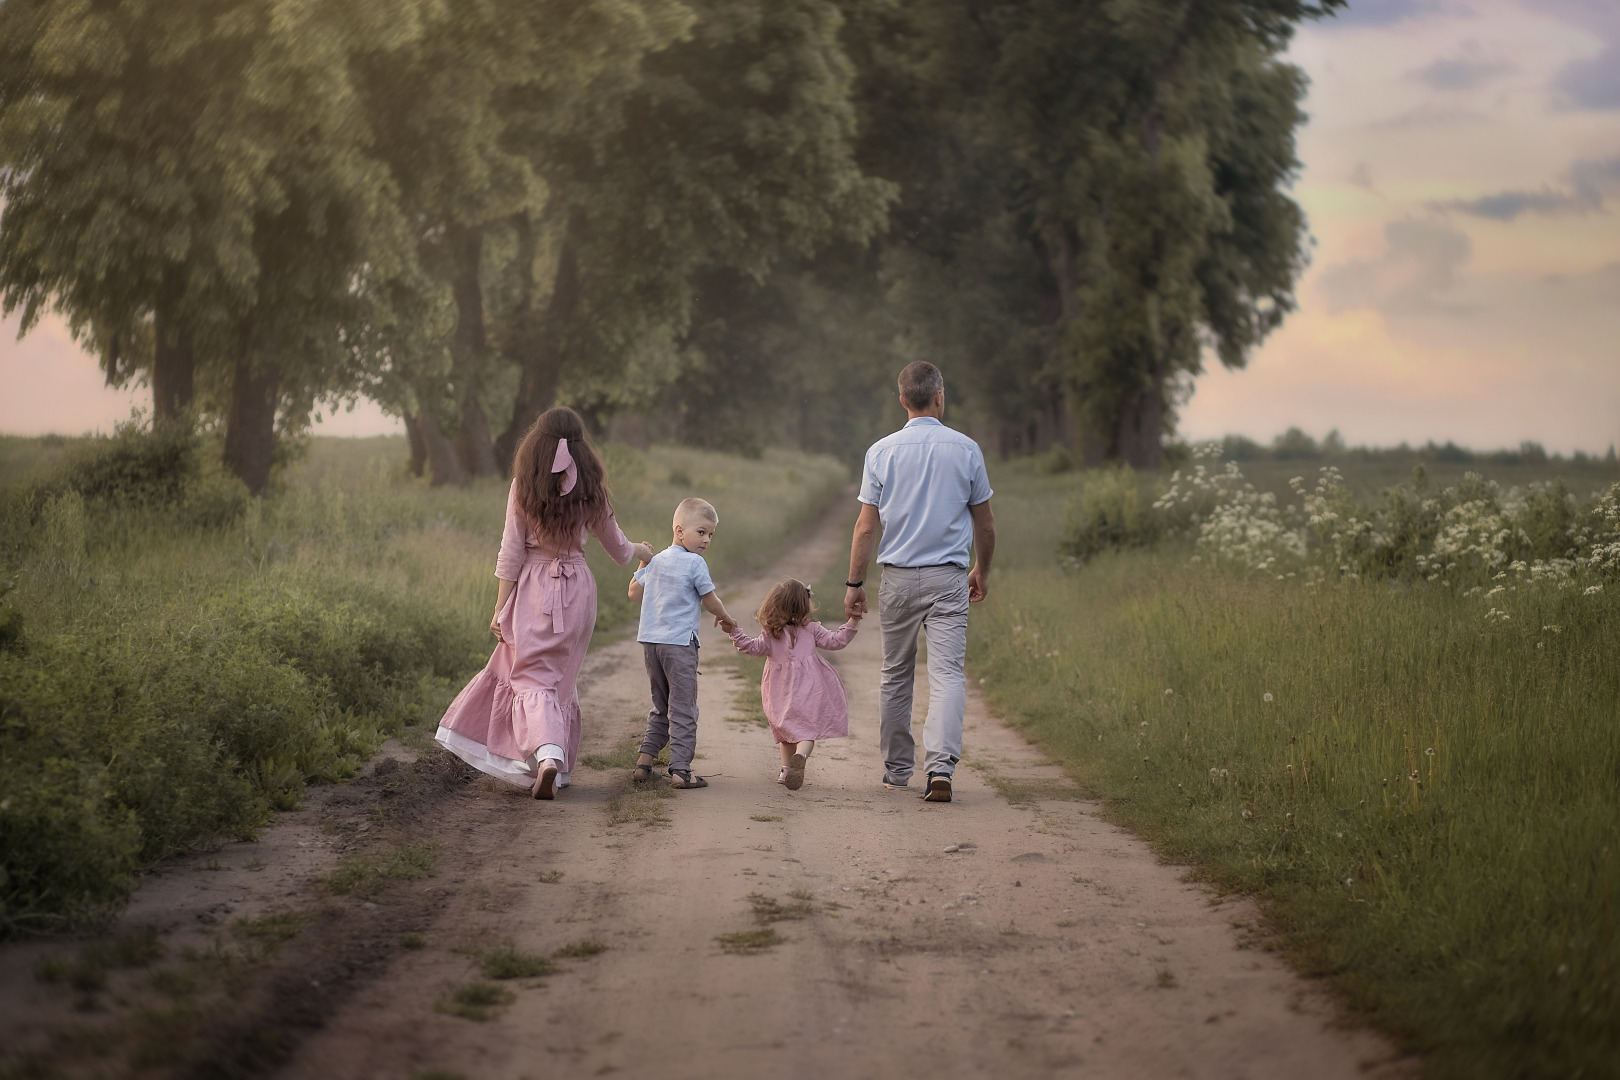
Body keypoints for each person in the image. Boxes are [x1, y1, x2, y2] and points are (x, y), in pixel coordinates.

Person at [436, 407, 655, 800]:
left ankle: (548, 755)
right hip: (579, 594)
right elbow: (620, 551)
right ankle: (554, 758)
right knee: (560, 679)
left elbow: (511, 553)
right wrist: (644, 551)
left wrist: (500, 608)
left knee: (531, 677)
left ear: (538, 440)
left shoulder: (524, 486)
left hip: (536, 591)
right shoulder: (592, 489)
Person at [844, 361, 995, 803]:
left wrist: (854, 584)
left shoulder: (881, 452)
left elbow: (865, 528)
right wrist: (981, 571)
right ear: (939, 396)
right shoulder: (967, 450)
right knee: (947, 674)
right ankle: (941, 767)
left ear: (902, 400)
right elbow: (985, 526)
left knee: (896, 673)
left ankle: (896, 771)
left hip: (898, 580)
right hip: (949, 578)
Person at [628, 497, 738, 789]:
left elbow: (633, 593)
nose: (706, 540)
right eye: (701, 532)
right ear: (679, 531)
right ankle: (680, 771)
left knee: (661, 705)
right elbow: (711, 600)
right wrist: (728, 619)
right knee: (683, 707)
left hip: (651, 645)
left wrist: (644, 560)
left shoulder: (656, 560)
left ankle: (644, 763)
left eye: (711, 534)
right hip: (678, 646)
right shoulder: (695, 563)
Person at [729, 578, 861, 790]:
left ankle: (785, 770)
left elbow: (750, 648)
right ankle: (800, 756)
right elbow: (836, 641)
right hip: (810, 689)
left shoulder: (771, 633)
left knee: (786, 730)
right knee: (806, 732)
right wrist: (853, 621)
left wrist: (734, 631)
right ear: (804, 605)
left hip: (779, 690)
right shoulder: (812, 629)